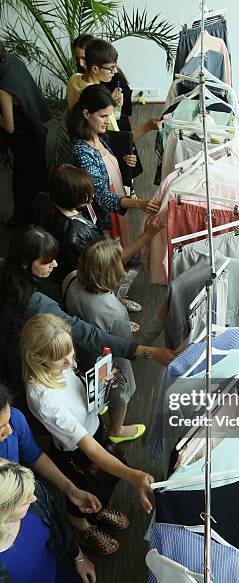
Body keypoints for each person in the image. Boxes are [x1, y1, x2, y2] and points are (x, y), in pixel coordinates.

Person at [21, 314, 155, 555]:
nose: (70, 361)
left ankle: (96, 508)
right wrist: (134, 476)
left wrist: (100, 384)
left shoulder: (56, 364)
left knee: (99, 485)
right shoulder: (45, 400)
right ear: (36, 357)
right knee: (83, 489)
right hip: (77, 453)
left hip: (91, 427)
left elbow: (77, 383)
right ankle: (81, 525)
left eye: (70, 352)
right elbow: (91, 450)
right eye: (62, 359)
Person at [0, 225, 176, 395]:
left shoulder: (67, 279)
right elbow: (87, 333)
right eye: (46, 262)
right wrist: (148, 351)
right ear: (25, 263)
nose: (54, 264)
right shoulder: (38, 303)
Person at [64, 237, 146, 443]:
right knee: (121, 391)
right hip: (109, 361)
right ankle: (117, 430)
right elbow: (125, 345)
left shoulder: (71, 278)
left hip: (78, 352)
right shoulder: (113, 311)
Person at [32, 163, 163, 283]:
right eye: (85, 194)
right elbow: (113, 258)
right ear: (70, 197)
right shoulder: (75, 235)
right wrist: (148, 235)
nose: (92, 196)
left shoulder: (46, 201)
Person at [0, 459, 97, 583]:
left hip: (56, 567)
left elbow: (59, 523)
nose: (34, 498)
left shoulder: (32, 490)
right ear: (5, 511)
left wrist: (79, 558)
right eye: (25, 501)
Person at [68, 85, 160, 232]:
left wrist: (124, 162)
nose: (107, 121)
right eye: (103, 116)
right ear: (86, 113)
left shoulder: (100, 137)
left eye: (109, 116)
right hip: (105, 217)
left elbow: (108, 168)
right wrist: (139, 204)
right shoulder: (82, 151)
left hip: (117, 208)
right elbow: (101, 196)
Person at [0, 383, 102, 516]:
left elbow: (35, 456)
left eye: (7, 421)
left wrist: (71, 490)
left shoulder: (15, 419)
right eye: (1, 426)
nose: (9, 430)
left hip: (22, 493)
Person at [0, 42, 51, 225]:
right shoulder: (13, 60)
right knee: (38, 175)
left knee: (22, 180)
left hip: (23, 138)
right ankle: (42, 214)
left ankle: (23, 218)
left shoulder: (4, 88)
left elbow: (9, 126)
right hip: (35, 128)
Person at [67, 37, 157, 139]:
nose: (114, 71)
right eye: (111, 68)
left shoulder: (73, 79)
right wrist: (148, 126)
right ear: (95, 69)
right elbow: (115, 137)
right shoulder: (96, 94)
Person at [71, 34, 133, 131]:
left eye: (84, 58)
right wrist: (107, 102)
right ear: (95, 68)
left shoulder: (74, 78)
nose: (81, 63)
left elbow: (126, 111)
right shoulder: (88, 88)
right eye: (77, 58)